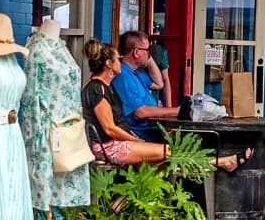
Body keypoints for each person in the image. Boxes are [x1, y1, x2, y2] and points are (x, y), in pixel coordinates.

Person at [81, 40, 249, 170]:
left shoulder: (103, 86)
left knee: (160, 165)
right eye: (117, 59)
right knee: (168, 152)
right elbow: (109, 128)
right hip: (109, 147)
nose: (121, 61)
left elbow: (159, 83)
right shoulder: (97, 89)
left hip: (119, 142)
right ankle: (223, 162)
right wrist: (135, 139)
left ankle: (121, 206)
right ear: (109, 64)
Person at [111, 31, 180, 142]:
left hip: (152, 131)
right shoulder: (123, 76)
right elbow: (141, 112)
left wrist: (147, 57)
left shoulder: (135, 72)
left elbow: (159, 83)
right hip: (141, 135)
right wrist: (176, 111)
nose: (149, 54)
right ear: (136, 52)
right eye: (147, 50)